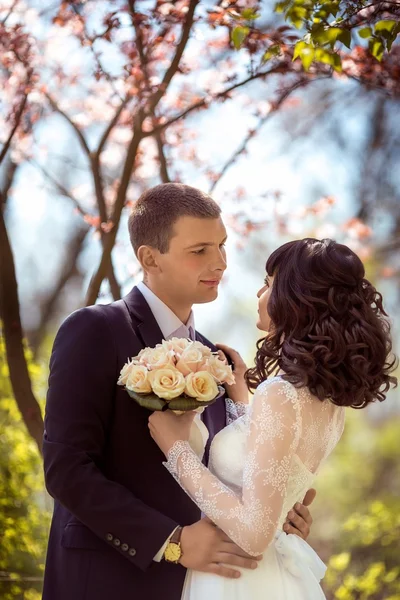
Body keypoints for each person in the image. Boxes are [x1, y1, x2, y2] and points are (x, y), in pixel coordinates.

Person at [42, 184, 314, 600]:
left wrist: (278, 511)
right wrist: (173, 540)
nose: (220, 262)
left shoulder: (219, 360)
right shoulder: (95, 330)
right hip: (107, 580)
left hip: (203, 587)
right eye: (200, 250)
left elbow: (230, 474)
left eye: (222, 246)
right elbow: (66, 468)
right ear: (150, 258)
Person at [148, 237, 397, 600]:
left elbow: (253, 534)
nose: (259, 292)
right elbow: (268, 471)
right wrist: (240, 404)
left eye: (268, 284)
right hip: (271, 577)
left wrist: (176, 451)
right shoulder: (328, 405)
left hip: (236, 577)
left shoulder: (279, 394)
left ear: (296, 299)